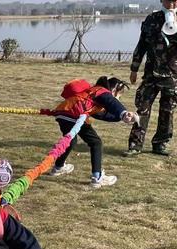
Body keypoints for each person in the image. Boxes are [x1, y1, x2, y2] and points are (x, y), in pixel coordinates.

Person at [49, 76, 138, 188]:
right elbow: (111, 102)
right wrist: (123, 113)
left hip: (64, 112)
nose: (118, 99)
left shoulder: (93, 94)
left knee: (70, 141)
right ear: (114, 91)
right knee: (96, 143)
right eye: (118, 96)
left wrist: (119, 117)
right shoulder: (102, 91)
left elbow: (101, 114)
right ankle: (97, 177)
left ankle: (58, 167)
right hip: (75, 114)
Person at [123, 0, 177, 157]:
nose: (172, 4)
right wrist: (134, 68)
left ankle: (160, 144)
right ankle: (135, 145)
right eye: (169, 0)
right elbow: (141, 45)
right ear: (161, 0)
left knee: (167, 111)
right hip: (151, 75)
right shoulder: (152, 19)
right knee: (142, 109)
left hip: (172, 76)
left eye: (175, 0)